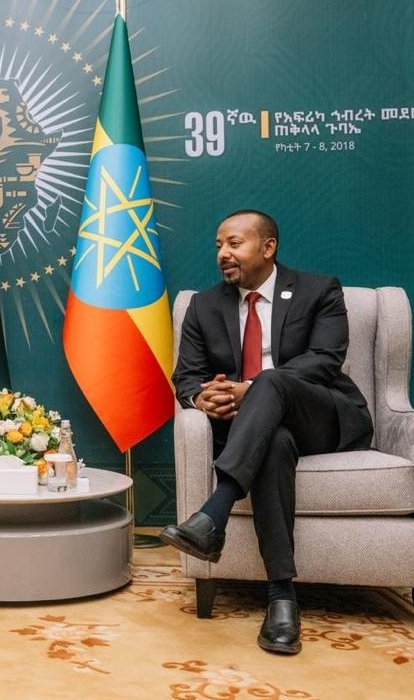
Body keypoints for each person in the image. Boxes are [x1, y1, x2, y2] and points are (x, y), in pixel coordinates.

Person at [160, 209, 372, 655]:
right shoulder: (203, 305)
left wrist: (251, 389)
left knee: (271, 381)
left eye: (234, 244)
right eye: (219, 245)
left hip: (322, 418)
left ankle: (214, 512)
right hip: (256, 433)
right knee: (273, 444)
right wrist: (202, 399)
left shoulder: (319, 290)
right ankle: (281, 597)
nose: (223, 253)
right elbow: (187, 377)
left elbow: (325, 360)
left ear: (268, 247)